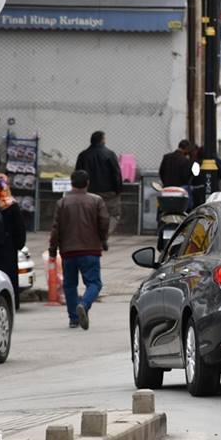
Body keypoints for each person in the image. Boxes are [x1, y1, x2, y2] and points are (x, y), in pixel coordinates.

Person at [48, 170, 109, 330]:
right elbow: (104, 222)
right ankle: (84, 304)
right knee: (94, 283)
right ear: (88, 182)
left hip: (68, 251)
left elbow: (55, 229)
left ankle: (74, 319)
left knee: (70, 285)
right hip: (90, 250)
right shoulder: (96, 201)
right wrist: (103, 240)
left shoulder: (62, 203)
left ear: (71, 183)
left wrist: (53, 250)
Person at [0, 174, 27, 309]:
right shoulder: (11, 205)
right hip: (8, 249)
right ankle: (11, 304)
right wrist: (18, 245)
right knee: (8, 278)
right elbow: (19, 230)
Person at [75, 131, 124, 235]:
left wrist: (78, 191)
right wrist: (118, 190)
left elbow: (77, 174)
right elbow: (116, 173)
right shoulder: (110, 154)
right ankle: (104, 236)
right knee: (113, 215)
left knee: (89, 215)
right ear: (102, 140)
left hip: (89, 192)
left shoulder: (83, 155)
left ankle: (90, 236)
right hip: (108, 192)